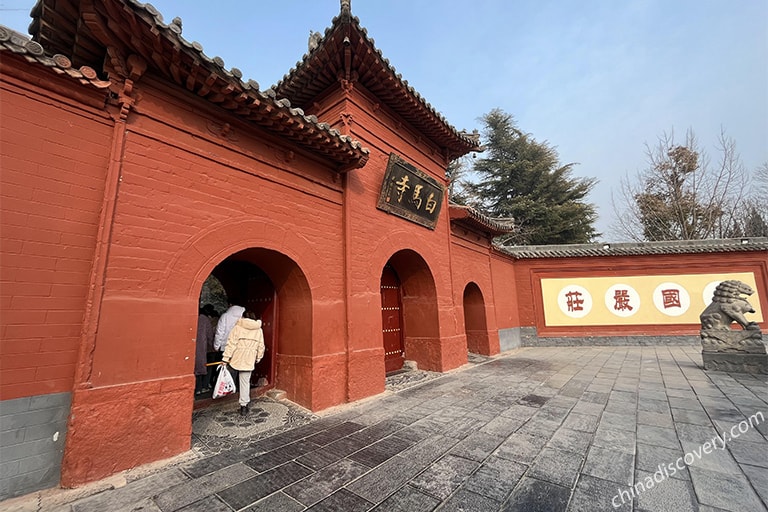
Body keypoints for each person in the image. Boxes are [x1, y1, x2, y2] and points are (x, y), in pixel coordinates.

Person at [221, 311, 265, 416]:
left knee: (229, 376)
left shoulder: (238, 327)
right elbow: (261, 345)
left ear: (244, 316)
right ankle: (243, 406)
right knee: (245, 382)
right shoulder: (258, 330)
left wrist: (225, 359)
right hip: (249, 358)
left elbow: (231, 344)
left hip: (236, 357)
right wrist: (258, 357)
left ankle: (224, 395)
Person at [194, 306, 215, 395]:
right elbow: (210, 335)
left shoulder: (195, 318)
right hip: (204, 348)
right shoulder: (205, 320)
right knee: (205, 367)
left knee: (196, 367)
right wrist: (213, 346)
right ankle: (203, 386)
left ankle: (197, 388)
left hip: (194, 348)